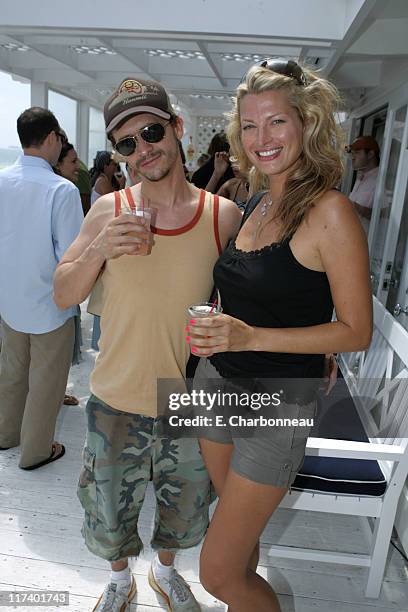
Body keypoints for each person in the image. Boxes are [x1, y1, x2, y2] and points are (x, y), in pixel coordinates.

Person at [186, 59, 373, 611]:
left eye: (276, 123)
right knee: (238, 547)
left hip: (279, 401)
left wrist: (249, 337)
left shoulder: (330, 212)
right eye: (249, 125)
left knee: (217, 573)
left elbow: (355, 332)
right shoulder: (256, 200)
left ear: (306, 124)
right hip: (215, 383)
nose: (261, 138)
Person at [53, 77, 241, 612]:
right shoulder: (108, 210)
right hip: (115, 396)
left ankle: (164, 573)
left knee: (185, 507)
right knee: (109, 509)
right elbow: (63, 291)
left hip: (186, 399)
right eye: (127, 143)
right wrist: (97, 252)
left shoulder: (221, 216)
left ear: (177, 129)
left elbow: (243, 301)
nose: (142, 149)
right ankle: (119, 580)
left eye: (152, 131)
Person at [0, 107, 83, 469]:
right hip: (49, 302)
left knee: (12, 373)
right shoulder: (61, 190)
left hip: (9, 299)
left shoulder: (1, 179)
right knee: (46, 384)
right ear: (52, 138)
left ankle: (5, 435)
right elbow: (71, 255)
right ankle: (35, 452)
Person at [54, 141, 83, 405]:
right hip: (58, 289)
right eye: (73, 161)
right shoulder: (65, 192)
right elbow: (71, 249)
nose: (78, 166)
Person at [346, 135, 380, 234]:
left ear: (370, 154)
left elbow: (385, 216)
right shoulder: (361, 176)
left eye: (357, 153)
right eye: (352, 153)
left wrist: (349, 204)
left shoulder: (381, 181)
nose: (352, 157)